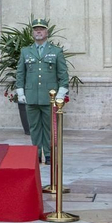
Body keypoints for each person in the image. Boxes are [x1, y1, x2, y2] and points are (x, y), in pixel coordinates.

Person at [13, 17, 68, 165]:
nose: (38, 32)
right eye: (36, 29)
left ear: (47, 32)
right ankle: (35, 154)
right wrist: (20, 92)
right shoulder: (25, 51)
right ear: (32, 33)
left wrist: (60, 94)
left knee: (49, 127)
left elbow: (63, 75)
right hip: (31, 96)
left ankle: (49, 155)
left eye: (41, 29)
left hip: (49, 96)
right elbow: (20, 74)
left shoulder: (56, 51)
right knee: (34, 127)